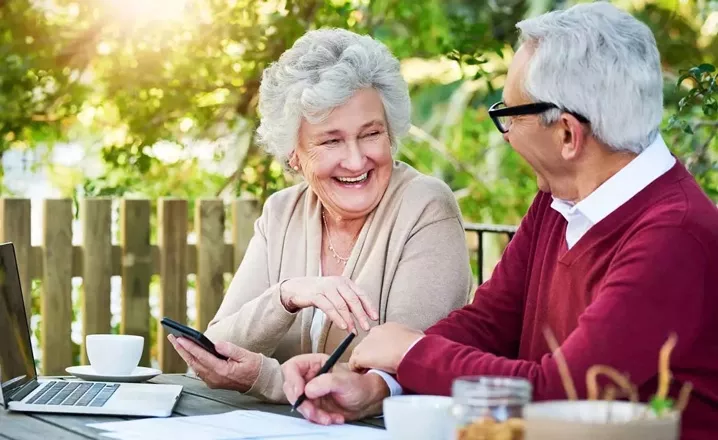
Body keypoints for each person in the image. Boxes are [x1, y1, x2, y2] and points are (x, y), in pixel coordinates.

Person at [281, 3, 718, 438]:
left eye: (510, 115)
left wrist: (412, 351)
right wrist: (380, 382)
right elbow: (490, 323)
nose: (505, 135)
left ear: (567, 134)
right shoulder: (559, 201)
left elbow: (565, 394)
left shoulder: (674, 236)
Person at [167, 28, 474, 403]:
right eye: (331, 140)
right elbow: (215, 352)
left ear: (390, 132)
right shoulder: (283, 211)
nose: (356, 159)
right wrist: (288, 295)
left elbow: (397, 373)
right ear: (293, 155)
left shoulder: (425, 207)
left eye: (370, 134)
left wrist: (269, 379)